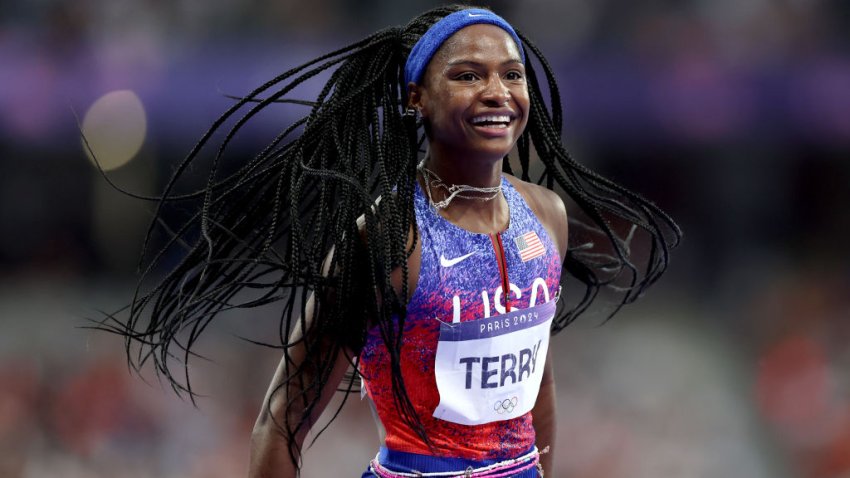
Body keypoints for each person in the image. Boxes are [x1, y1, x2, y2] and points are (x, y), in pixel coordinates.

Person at [96, 4, 681, 477]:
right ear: (414, 99)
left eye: (511, 73)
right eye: (468, 75)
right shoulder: (384, 239)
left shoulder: (545, 213)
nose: (497, 91)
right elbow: (281, 422)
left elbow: (537, 384)